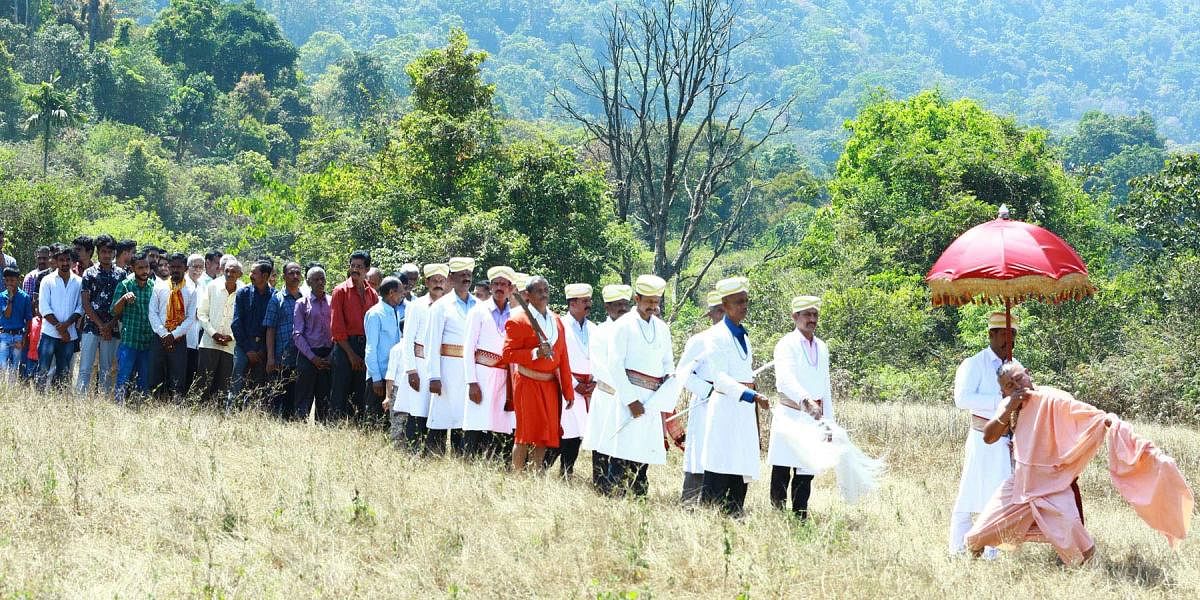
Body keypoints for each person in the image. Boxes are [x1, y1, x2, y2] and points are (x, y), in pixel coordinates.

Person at [966, 363, 1193, 565]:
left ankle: (1090, 574)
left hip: (1052, 484)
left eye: (1018, 378)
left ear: (1028, 374)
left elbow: (1084, 415)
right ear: (1002, 391)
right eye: (1008, 384)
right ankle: (971, 570)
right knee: (977, 535)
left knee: (1075, 536)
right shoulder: (1007, 406)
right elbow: (989, 437)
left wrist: (1106, 422)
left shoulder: (1054, 397)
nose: (1016, 385)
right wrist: (1009, 407)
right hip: (1021, 484)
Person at [948, 311, 1020, 556]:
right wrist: (1000, 400)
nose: (1009, 341)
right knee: (969, 494)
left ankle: (993, 551)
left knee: (1000, 497)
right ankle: (958, 548)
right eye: (1004, 335)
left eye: (1013, 336)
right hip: (982, 438)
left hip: (1008, 441)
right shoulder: (974, 363)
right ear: (992, 334)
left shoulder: (1014, 366)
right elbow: (962, 399)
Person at [604, 275, 675, 497]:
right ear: (637, 299)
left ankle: (639, 494)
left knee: (645, 449)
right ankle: (615, 495)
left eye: (656, 302)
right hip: (630, 397)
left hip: (654, 399)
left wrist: (664, 392)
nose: (653, 307)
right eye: (649, 302)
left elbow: (668, 363)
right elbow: (615, 365)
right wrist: (631, 400)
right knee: (624, 449)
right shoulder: (623, 325)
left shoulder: (662, 328)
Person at [765, 295, 832, 520]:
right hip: (790, 414)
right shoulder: (786, 344)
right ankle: (777, 516)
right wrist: (806, 400)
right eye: (807, 315)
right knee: (783, 468)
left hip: (813, 419)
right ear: (795, 317)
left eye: (815, 315)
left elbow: (825, 387)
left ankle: (800, 516)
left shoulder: (822, 347)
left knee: (806, 470)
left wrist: (827, 422)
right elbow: (785, 380)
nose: (812, 319)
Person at [503, 276, 575, 472]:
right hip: (527, 383)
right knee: (525, 435)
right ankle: (518, 477)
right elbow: (508, 354)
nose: (544, 294)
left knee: (544, 435)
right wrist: (535, 353)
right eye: (538, 291)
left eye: (546, 290)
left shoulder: (557, 320)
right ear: (527, 295)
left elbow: (563, 358)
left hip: (550, 386)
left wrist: (568, 391)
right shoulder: (517, 319)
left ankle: (536, 475)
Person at [675, 290, 727, 504]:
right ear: (712, 314)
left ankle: (720, 503)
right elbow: (682, 374)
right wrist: (708, 390)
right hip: (706, 404)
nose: (724, 316)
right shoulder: (700, 340)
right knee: (700, 455)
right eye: (720, 311)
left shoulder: (739, 338)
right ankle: (691, 502)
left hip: (729, 405)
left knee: (724, 454)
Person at [581, 284, 632, 493]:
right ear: (607, 307)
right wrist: (624, 388)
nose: (622, 309)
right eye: (617, 305)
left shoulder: (633, 329)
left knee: (625, 442)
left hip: (630, 396)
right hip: (609, 394)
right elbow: (600, 366)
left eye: (625, 305)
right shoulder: (600, 332)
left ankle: (623, 485)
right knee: (602, 442)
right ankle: (601, 486)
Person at [391, 263, 448, 451]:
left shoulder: (449, 306)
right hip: (420, 366)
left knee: (438, 412)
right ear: (427, 282)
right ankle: (412, 452)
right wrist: (411, 370)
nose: (438, 284)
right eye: (434, 280)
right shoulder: (416, 306)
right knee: (417, 412)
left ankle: (434, 453)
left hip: (442, 366)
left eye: (441, 280)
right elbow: (407, 340)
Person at [462, 266, 517, 460]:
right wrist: (471, 382)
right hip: (482, 374)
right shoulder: (478, 311)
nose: (500, 287)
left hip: (506, 375)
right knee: (477, 421)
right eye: (496, 284)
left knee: (501, 422)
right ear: (491, 286)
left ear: (511, 288)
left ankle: (496, 462)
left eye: (504, 284)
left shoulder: (516, 315)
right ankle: (468, 461)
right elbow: (468, 348)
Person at [425, 257, 476, 456]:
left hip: (468, 370)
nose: (466, 278)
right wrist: (434, 376)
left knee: (463, 417)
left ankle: (460, 456)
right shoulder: (441, 306)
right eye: (461, 275)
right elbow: (432, 343)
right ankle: (432, 457)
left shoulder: (478, 305)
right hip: (446, 369)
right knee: (442, 414)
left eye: (468, 275)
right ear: (451, 278)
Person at [544, 283, 595, 477]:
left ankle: (567, 472)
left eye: (589, 300)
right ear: (572, 303)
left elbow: (600, 357)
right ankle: (542, 468)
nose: (589, 304)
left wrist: (594, 382)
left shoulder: (594, 328)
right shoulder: (559, 325)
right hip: (565, 386)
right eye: (585, 301)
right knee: (563, 432)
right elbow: (554, 358)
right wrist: (574, 384)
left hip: (588, 388)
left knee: (578, 434)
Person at [330, 250, 378, 421]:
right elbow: (337, 327)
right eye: (353, 266)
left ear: (367, 269)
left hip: (365, 346)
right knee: (340, 390)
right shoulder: (340, 291)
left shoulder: (372, 293)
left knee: (360, 390)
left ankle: (357, 427)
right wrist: (351, 354)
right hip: (344, 346)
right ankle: (335, 427)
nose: (355, 270)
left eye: (359, 266)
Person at [76, 234, 125, 396]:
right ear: (98, 252)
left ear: (114, 253)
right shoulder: (89, 273)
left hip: (113, 328)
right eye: (103, 251)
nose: (107, 255)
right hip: (91, 326)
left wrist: (110, 325)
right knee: (85, 367)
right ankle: (80, 401)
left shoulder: (121, 274)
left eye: (110, 252)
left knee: (107, 368)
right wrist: (101, 325)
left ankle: (104, 403)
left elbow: (122, 303)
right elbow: (85, 303)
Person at [148, 253, 197, 403]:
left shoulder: (190, 290)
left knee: (177, 374)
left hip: (179, 338)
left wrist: (174, 335)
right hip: (160, 337)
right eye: (172, 266)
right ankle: (155, 403)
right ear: (168, 266)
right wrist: (164, 333)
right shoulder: (160, 286)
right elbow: (152, 312)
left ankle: (175, 405)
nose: (175, 270)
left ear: (185, 268)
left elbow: (190, 317)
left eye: (179, 267)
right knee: (156, 373)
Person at [196, 260, 243, 405]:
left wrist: (231, 337)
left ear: (240, 274)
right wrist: (213, 333)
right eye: (227, 271)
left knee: (223, 386)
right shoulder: (213, 286)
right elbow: (202, 313)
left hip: (230, 346)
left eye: (233, 271)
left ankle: (218, 418)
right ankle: (198, 414)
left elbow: (244, 320)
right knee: (203, 383)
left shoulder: (244, 291)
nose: (229, 274)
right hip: (209, 343)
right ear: (222, 270)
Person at [230, 260, 274, 410]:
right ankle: (232, 413)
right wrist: (248, 349)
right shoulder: (243, 293)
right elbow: (236, 323)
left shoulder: (275, 296)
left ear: (265, 276)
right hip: (244, 346)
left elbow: (272, 326)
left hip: (264, 349)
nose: (250, 275)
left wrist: (263, 350)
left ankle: (253, 416)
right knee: (237, 382)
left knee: (259, 385)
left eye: (254, 273)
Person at [111, 253, 155, 405]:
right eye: (140, 268)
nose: (144, 271)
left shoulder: (152, 285)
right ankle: (119, 405)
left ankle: (140, 406)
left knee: (144, 377)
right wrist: (123, 299)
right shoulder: (125, 285)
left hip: (147, 340)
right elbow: (113, 311)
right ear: (132, 268)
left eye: (147, 267)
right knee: (124, 376)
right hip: (130, 340)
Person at [37, 244, 82, 389]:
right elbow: (44, 308)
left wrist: (66, 327)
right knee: (43, 369)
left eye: (67, 260)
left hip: (69, 335)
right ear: (56, 261)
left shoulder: (79, 282)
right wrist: (61, 329)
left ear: (71, 261)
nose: (64, 263)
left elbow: (80, 308)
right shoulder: (47, 280)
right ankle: (39, 399)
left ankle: (59, 402)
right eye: (61, 260)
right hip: (49, 333)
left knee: (63, 371)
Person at [363, 275, 406, 428]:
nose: (403, 295)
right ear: (391, 293)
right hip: (379, 376)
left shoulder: (396, 311)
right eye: (401, 292)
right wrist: (375, 378)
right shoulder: (375, 314)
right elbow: (370, 348)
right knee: (374, 421)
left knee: (390, 421)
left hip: (392, 375)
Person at [293, 266, 333, 422]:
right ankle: (299, 429)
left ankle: (323, 430)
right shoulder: (302, 303)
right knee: (304, 396)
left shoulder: (333, 301)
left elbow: (337, 330)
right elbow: (297, 334)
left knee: (325, 397)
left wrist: (331, 355)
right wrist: (312, 357)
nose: (320, 282)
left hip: (328, 355)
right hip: (308, 355)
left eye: (322, 278)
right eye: (316, 279)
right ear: (308, 282)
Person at [264, 262, 304, 419]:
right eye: (291, 273)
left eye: (297, 273)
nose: (295, 276)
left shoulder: (305, 298)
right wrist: (271, 357)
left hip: (301, 357)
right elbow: (270, 329)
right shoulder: (277, 300)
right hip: (282, 356)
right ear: (284, 276)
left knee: (295, 396)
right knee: (278, 395)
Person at [0, 267, 33, 379]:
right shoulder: (2, 296)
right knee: (3, 365)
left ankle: (13, 389)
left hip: (18, 335)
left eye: (12, 280)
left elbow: (28, 319)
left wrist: (24, 337)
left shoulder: (25, 297)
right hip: (5, 335)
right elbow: (7, 315)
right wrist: (10, 299)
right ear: (4, 281)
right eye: (7, 280)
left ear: (18, 280)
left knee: (15, 367)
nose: (10, 283)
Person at [184, 254, 208, 393]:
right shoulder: (183, 284)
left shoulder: (202, 285)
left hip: (197, 334)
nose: (198, 270)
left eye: (201, 267)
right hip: (183, 334)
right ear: (188, 267)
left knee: (193, 368)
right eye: (195, 267)